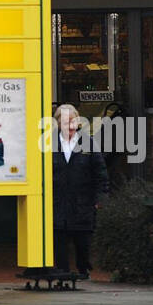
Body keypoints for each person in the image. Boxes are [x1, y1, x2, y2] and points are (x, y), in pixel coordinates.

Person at [51, 103, 108, 276]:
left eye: (73, 120)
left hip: (83, 201)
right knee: (59, 237)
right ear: (58, 123)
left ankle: (83, 269)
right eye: (66, 121)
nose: (71, 124)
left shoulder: (88, 143)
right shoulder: (48, 143)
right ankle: (62, 271)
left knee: (83, 240)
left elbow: (100, 172)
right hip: (57, 201)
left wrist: (101, 198)